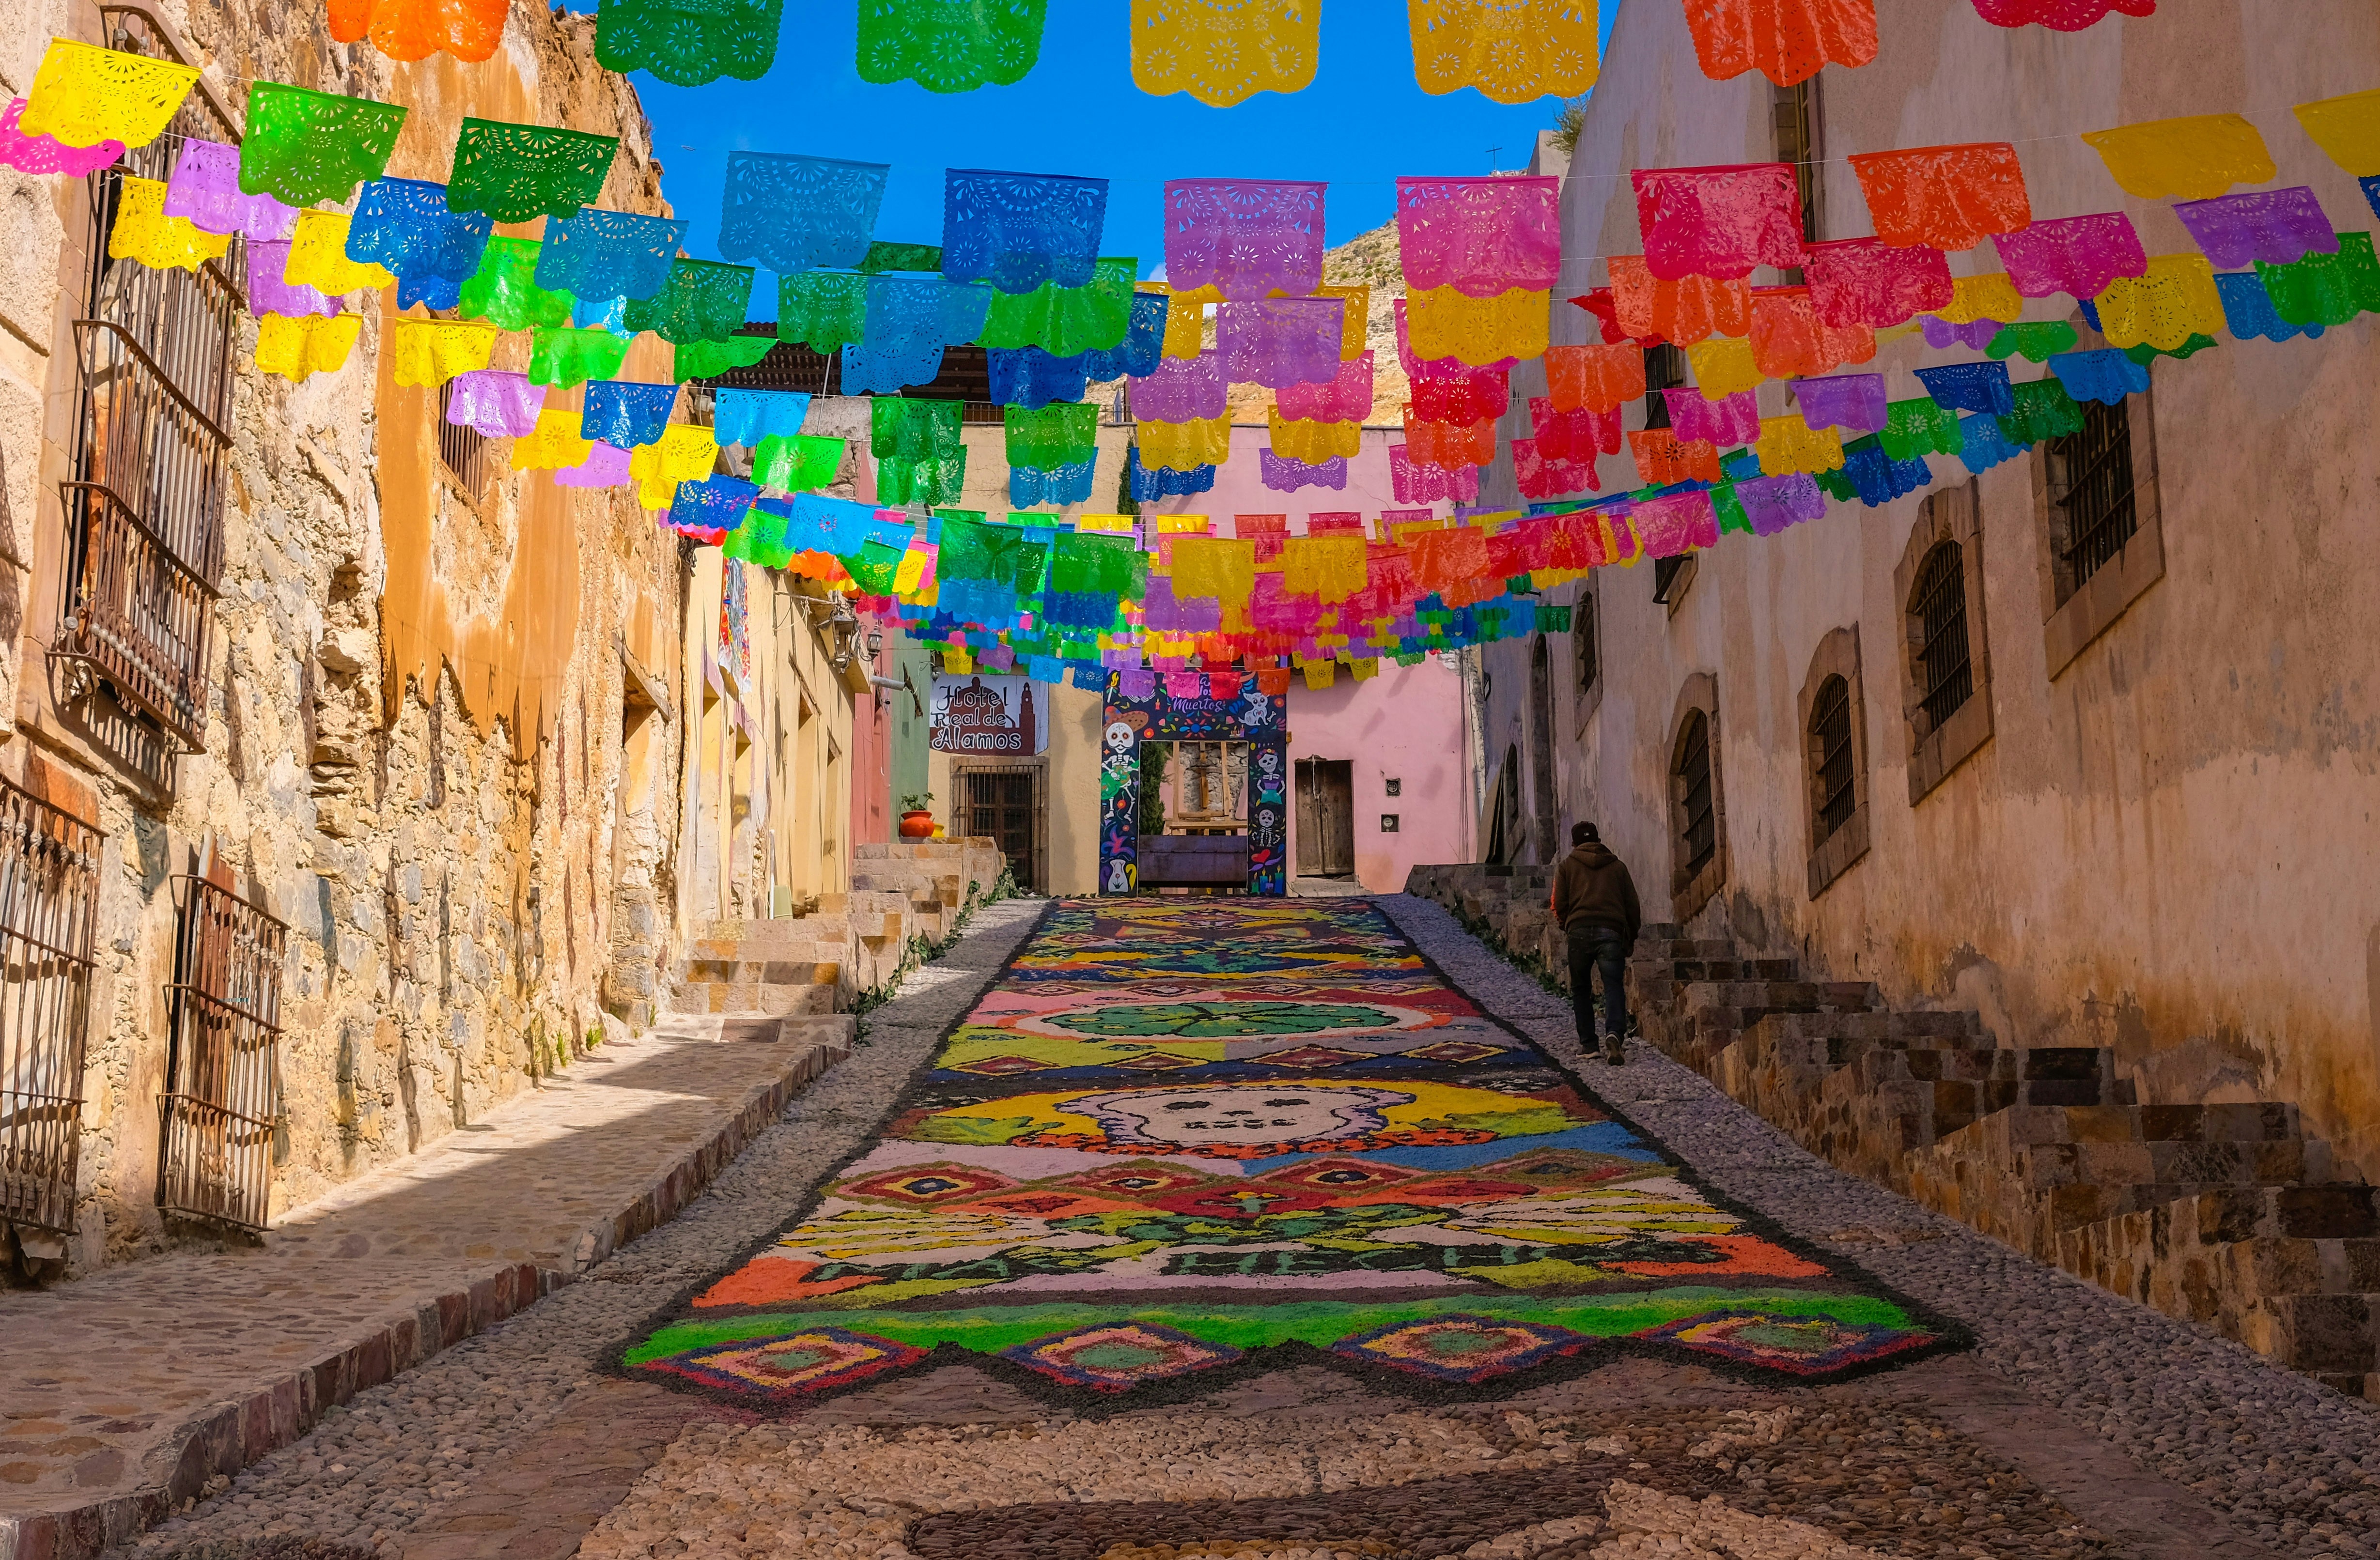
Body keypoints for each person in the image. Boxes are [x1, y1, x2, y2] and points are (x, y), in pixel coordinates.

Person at [1550, 821, 1641, 1065]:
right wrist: (1631, 935)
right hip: (1611, 931)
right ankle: (1614, 1034)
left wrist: (1568, 924)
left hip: (1579, 930)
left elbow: (1560, 904)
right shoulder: (1618, 867)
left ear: (1574, 843)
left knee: (1581, 989)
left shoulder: (1566, 867)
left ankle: (1589, 1045)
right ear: (1598, 840)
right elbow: (1632, 906)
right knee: (1613, 986)